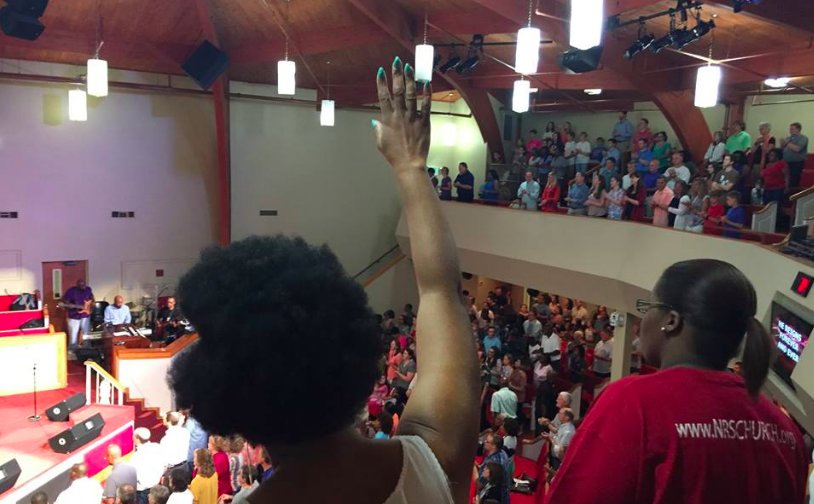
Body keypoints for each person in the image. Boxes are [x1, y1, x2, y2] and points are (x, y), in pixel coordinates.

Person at [169, 58, 480, 504]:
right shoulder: (433, 458)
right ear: (350, 353)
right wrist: (410, 166)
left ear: (230, 400)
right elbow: (440, 292)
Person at [546, 260, 809, 503]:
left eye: (648, 307)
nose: (641, 321)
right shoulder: (784, 428)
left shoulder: (633, 403)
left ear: (671, 321)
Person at [131, 428, 166, 504]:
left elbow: (135, 477)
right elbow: (164, 464)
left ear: (137, 439)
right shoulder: (157, 447)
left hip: (143, 491)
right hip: (156, 486)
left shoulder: (136, 457)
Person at [61, 279, 94, 353]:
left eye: (84, 285)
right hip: (74, 316)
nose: (83, 287)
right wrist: (69, 305)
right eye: (81, 285)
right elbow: (65, 302)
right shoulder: (71, 291)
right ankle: (72, 351)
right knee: (73, 335)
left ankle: (87, 349)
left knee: (86, 333)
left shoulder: (88, 289)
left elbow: (92, 298)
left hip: (85, 315)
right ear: (77, 285)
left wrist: (90, 305)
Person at [781, 122, 809, 188]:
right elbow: (783, 149)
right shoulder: (788, 138)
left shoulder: (803, 138)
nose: (790, 130)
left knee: (794, 180)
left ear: (798, 129)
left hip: (796, 163)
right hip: (786, 162)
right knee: (785, 180)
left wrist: (786, 143)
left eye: (792, 129)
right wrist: (782, 145)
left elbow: (797, 149)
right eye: (790, 129)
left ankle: (793, 195)